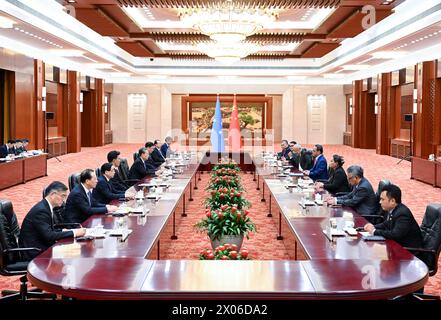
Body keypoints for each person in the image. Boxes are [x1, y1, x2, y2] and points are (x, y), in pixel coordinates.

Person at [19, 181, 86, 260]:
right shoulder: (41, 211)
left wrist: (63, 230)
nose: (64, 200)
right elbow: (49, 236)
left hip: (42, 244)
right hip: (35, 251)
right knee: (76, 253)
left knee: (76, 250)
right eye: (63, 196)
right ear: (53, 195)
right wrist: (74, 232)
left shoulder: (46, 206)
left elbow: (48, 229)